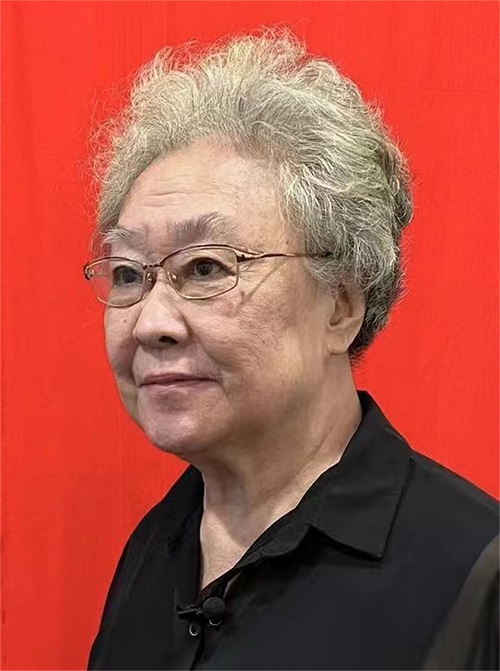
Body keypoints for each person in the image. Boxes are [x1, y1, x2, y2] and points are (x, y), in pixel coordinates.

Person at [83, 30, 498, 670]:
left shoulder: (476, 574)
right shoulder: (156, 547)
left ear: (341, 305)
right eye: (129, 273)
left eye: (206, 267)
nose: (150, 322)